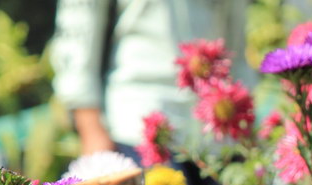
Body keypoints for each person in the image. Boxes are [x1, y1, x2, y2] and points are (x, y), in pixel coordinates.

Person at [49, 0, 251, 162]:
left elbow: (235, 44)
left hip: (218, 138)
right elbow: (76, 31)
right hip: (138, 124)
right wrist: (90, 127)